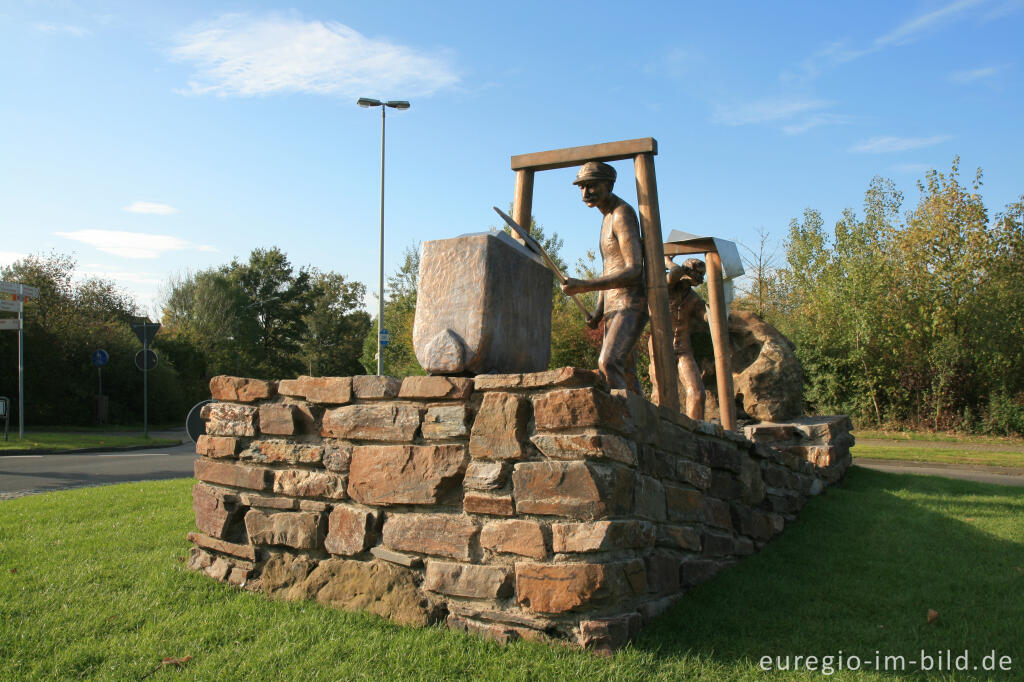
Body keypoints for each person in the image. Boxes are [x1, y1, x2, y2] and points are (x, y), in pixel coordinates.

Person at [560, 161, 647, 391]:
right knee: (625, 370)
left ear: (608, 184)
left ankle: (623, 422)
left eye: (591, 186)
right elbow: (609, 267)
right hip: (612, 304)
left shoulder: (621, 214)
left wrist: (583, 286)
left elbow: (634, 270)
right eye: (581, 187)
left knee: (608, 363)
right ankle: (641, 423)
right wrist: (598, 310)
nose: (585, 193)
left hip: (629, 302)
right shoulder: (606, 216)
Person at [650, 256, 707, 420]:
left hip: (683, 349)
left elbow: (706, 316)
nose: (696, 282)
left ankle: (695, 434)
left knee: (697, 393)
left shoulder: (694, 299)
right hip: (660, 346)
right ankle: (660, 433)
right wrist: (667, 259)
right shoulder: (665, 288)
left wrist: (715, 311)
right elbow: (674, 274)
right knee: (660, 394)